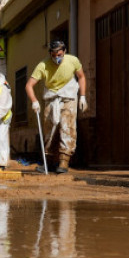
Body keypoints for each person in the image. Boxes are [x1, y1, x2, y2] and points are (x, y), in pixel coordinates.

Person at [25, 40, 87, 174]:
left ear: (64, 52)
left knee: (67, 126)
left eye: (59, 54)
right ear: (50, 54)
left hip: (69, 95)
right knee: (50, 127)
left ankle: (64, 161)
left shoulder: (73, 61)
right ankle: (49, 160)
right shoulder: (43, 65)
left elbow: (81, 77)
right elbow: (29, 85)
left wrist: (82, 96)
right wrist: (34, 101)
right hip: (51, 97)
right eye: (54, 55)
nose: (56, 58)